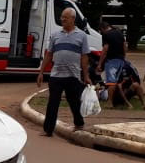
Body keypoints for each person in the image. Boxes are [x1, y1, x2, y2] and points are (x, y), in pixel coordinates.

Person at [37, 8, 92, 136]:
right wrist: (41, 72)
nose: (62, 19)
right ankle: (48, 130)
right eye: (62, 17)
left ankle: (79, 123)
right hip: (56, 75)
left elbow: (84, 57)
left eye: (65, 17)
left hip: (73, 75)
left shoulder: (82, 36)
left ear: (73, 19)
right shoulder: (55, 35)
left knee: (74, 101)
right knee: (53, 102)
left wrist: (86, 76)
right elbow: (49, 54)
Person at [96, 21, 127, 92]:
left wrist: (100, 63)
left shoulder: (106, 35)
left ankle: (110, 100)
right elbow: (124, 45)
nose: (101, 33)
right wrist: (124, 56)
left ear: (102, 29)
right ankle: (116, 96)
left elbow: (105, 49)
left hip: (111, 61)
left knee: (111, 82)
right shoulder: (119, 32)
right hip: (120, 60)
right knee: (117, 80)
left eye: (101, 31)